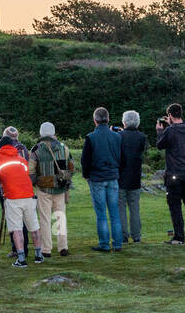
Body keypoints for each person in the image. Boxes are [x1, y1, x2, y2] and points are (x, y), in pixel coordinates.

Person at [0, 136, 42, 267]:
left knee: (17, 229)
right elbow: (26, 173)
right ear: (13, 145)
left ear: (0, 146)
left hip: (12, 197)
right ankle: (38, 256)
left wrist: (3, 177)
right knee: (34, 227)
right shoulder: (21, 159)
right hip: (29, 195)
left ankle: (21, 259)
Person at [156, 103, 185, 244]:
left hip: (174, 174)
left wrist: (160, 131)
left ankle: (179, 237)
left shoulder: (170, 131)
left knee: (175, 207)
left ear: (169, 115)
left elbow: (160, 145)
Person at [81, 107, 124, 252]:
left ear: (95, 120)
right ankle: (117, 244)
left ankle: (104, 244)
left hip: (97, 177)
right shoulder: (117, 137)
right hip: (112, 176)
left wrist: (86, 175)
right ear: (108, 119)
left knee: (101, 213)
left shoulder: (91, 138)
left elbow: (85, 160)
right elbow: (121, 157)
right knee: (114, 212)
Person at [30, 122, 73, 257]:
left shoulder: (36, 149)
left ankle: (46, 249)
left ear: (41, 133)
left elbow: (30, 171)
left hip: (43, 189)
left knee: (45, 219)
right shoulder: (63, 147)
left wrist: (35, 182)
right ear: (54, 133)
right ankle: (63, 247)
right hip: (60, 189)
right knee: (60, 217)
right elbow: (71, 167)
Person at [117, 111, 148, 244]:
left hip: (120, 177)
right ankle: (136, 236)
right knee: (134, 207)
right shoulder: (142, 137)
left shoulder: (118, 136)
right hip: (135, 176)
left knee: (121, 207)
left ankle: (124, 235)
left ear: (124, 122)